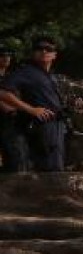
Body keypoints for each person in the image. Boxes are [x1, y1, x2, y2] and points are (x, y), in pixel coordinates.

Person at [0, 36, 67, 171]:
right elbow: (2, 92)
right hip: (41, 127)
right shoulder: (26, 72)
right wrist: (31, 109)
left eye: (48, 49)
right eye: (39, 48)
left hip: (58, 127)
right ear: (33, 53)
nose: (44, 51)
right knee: (48, 170)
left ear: (54, 55)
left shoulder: (51, 76)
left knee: (56, 168)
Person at [0, 43, 31, 173]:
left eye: (8, 55)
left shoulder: (10, 76)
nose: (6, 57)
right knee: (17, 158)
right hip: (6, 121)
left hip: (14, 122)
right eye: (2, 55)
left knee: (18, 158)